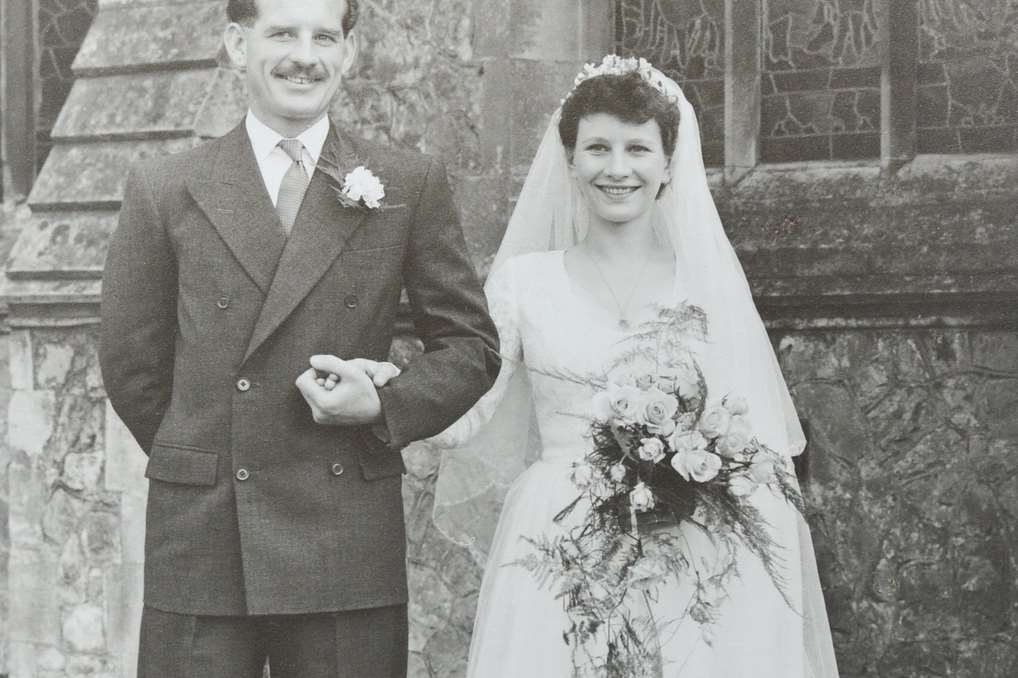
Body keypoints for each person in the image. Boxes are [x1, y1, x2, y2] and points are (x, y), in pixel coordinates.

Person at [379, 57, 841, 676]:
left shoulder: (705, 289)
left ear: (667, 164)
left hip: (692, 541)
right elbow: (470, 404)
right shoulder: (525, 283)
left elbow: (749, 436)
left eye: (637, 149)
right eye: (597, 147)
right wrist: (391, 393)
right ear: (570, 160)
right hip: (559, 533)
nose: (617, 168)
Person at [98, 0, 499, 675]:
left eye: (324, 36)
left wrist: (381, 408)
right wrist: (204, 451)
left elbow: (469, 347)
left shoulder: (405, 182)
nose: (304, 56)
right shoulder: (165, 188)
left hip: (344, 534)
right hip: (204, 536)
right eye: (281, 33)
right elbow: (131, 363)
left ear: (348, 52)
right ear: (236, 44)